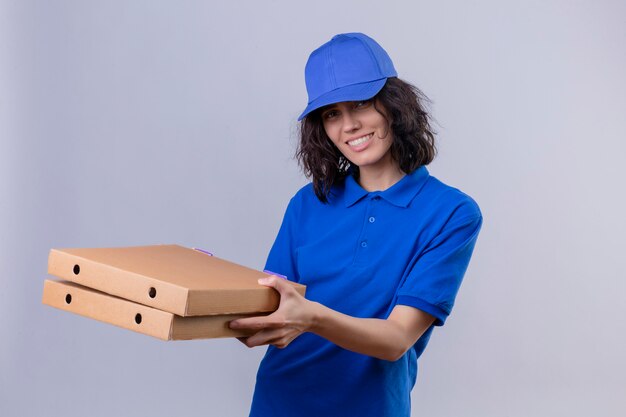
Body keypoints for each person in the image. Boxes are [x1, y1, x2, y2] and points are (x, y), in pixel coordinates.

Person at [229, 32, 483, 417]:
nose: (348, 125)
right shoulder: (307, 203)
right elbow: (272, 303)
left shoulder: (450, 213)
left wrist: (311, 316)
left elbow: (397, 338)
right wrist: (209, 286)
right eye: (332, 113)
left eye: (362, 103)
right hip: (280, 403)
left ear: (395, 105)